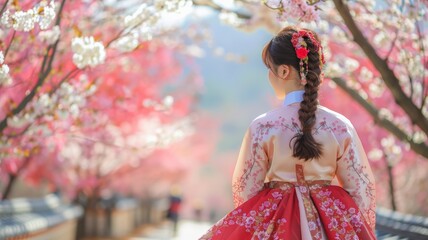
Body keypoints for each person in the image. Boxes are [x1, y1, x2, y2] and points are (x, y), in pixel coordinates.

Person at [199, 26, 376, 239]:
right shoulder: (340, 125)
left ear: (283, 71)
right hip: (330, 221)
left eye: (269, 69)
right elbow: (360, 189)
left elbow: (246, 189)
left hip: (278, 221)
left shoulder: (263, 126)